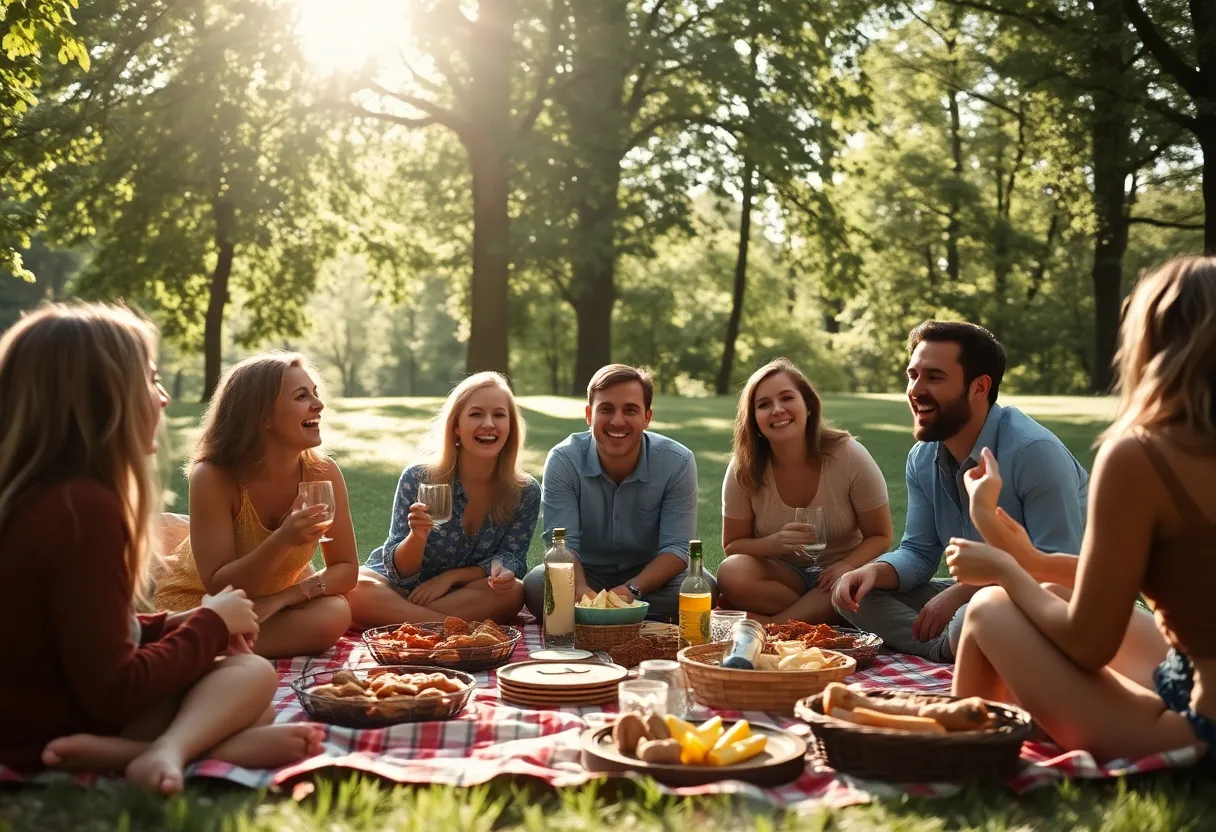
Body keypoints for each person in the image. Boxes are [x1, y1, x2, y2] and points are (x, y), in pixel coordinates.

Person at [0, 304, 323, 792]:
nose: (165, 397)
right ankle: (165, 751)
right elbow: (115, 690)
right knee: (251, 678)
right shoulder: (82, 512)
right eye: (151, 380)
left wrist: (186, 622)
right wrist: (210, 625)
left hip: (33, 713)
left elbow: (85, 634)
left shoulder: (41, 497)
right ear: (106, 398)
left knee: (246, 684)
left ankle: (150, 750)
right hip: (46, 731)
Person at [946, 256, 1216, 761]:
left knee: (986, 609)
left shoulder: (1143, 454)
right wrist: (1029, 558)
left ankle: (963, 757)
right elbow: (1180, 576)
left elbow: (1089, 643)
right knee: (1052, 588)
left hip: (1199, 728)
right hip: (1192, 668)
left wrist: (1004, 568)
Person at [830, 321, 1088, 662]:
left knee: (973, 613)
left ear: (980, 387)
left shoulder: (1034, 452)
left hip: (1053, 604)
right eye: (913, 375)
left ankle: (956, 642)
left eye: (934, 377)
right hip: (982, 601)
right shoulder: (922, 457)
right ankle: (953, 648)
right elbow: (919, 552)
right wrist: (874, 571)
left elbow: (1059, 570)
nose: (916, 390)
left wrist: (961, 595)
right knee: (855, 595)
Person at [153, 354, 358, 659]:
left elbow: (346, 569)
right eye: (301, 396)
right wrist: (282, 539)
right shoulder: (214, 477)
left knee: (336, 611)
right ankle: (193, 644)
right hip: (202, 607)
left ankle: (211, 650)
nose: (318, 404)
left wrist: (281, 600)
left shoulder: (323, 473)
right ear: (262, 416)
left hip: (269, 609)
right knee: (327, 618)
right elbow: (220, 588)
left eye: (315, 393)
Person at [523, 364, 713, 622]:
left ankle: (600, 616)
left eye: (630, 410)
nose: (617, 420)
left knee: (704, 587)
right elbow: (562, 546)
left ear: (647, 417)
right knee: (535, 586)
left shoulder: (677, 461)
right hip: (585, 573)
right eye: (606, 409)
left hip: (649, 578)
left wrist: (631, 591)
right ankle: (635, 616)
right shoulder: (563, 460)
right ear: (589, 415)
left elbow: (677, 548)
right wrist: (580, 591)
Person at [351, 372, 536, 625]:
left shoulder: (524, 490)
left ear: (510, 428)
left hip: (461, 594)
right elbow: (399, 571)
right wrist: (417, 536)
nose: (489, 423)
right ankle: (450, 629)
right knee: (353, 589)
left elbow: (512, 559)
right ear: (456, 427)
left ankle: (400, 622)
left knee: (513, 592)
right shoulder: (418, 477)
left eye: (499, 415)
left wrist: (452, 578)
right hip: (397, 588)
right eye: (476, 414)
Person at [717, 359, 893, 623]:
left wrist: (846, 566)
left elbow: (881, 535)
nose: (777, 410)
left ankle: (773, 625)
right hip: (786, 578)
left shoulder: (848, 455)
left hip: (844, 573)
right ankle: (820, 616)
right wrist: (774, 543)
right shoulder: (744, 468)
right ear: (754, 419)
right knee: (731, 572)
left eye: (787, 398)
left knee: (850, 588)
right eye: (763, 404)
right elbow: (733, 546)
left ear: (808, 405)